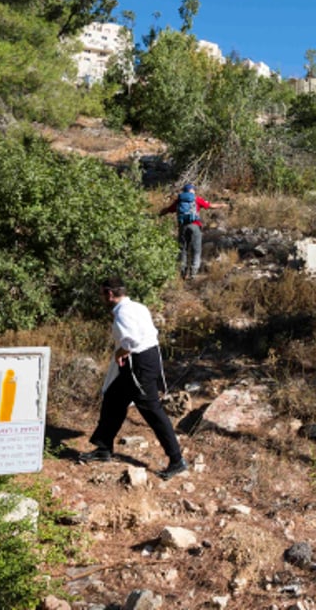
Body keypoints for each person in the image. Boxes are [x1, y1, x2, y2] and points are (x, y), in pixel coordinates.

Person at [78, 279, 188, 479]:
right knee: (113, 397)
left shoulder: (122, 313)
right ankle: (103, 448)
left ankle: (176, 459)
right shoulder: (137, 306)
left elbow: (132, 341)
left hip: (140, 363)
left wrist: (120, 353)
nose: (102, 298)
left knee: (152, 410)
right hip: (147, 358)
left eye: (102, 294)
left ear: (110, 294)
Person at [160, 183, 217, 278]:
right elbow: (210, 206)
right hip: (195, 226)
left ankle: (182, 272)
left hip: (182, 226)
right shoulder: (196, 199)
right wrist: (222, 205)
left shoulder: (179, 201)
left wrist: (158, 214)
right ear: (192, 190)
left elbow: (168, 210)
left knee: (183, 249)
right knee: (196, 249)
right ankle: (193, 273)